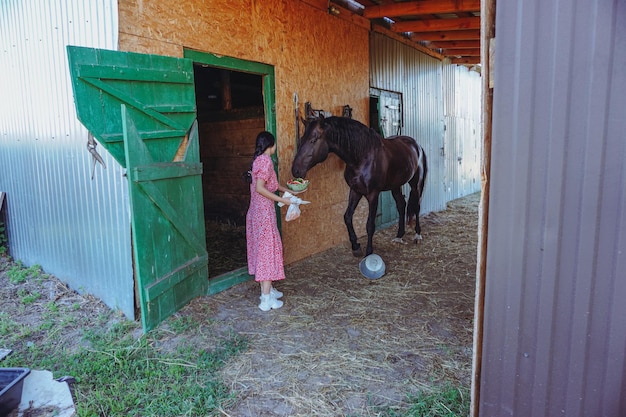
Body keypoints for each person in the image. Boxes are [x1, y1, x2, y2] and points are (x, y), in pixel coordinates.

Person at [245, 131, 304, 311]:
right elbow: (261, 188)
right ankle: (265, 299)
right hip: (263, 213)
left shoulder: (259, 161)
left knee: (264, 251)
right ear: (271, 145)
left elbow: (274, 185)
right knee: (266, 252)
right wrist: (284, 201)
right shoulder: (265, 161)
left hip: (260, 212)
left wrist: (290, 191)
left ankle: (268, 290)